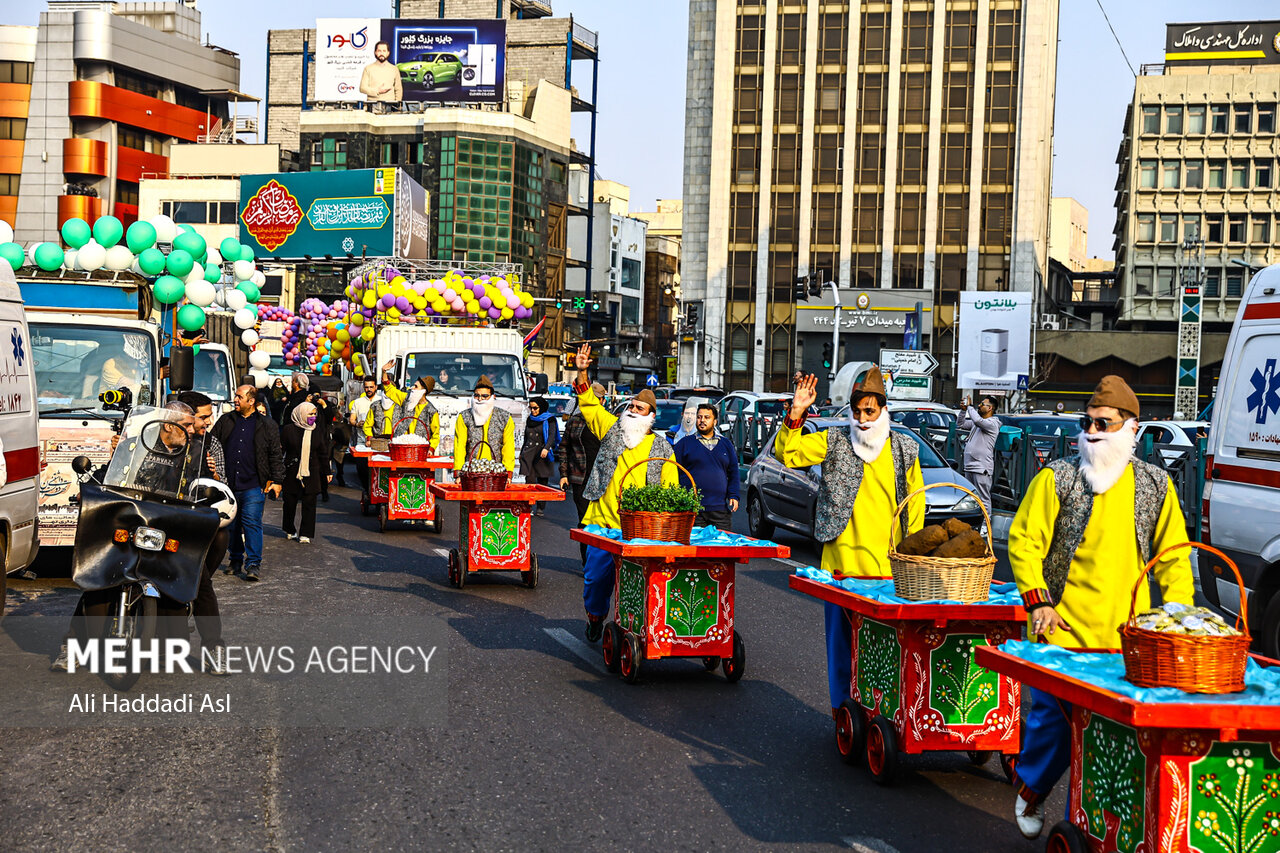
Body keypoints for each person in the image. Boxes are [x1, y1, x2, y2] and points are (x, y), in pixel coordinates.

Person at [1008, 375, 1194, 840]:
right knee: (1051, 724)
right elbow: (1024, 542)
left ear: (1133, 428)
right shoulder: (1058, 477)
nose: (1092, 431)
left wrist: (1180, 621)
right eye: (1088, 422)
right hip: (1061, 634)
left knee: (1115, 741)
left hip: (1124, 644)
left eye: (1104, 423)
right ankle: (1030, 788)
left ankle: (1102, 827)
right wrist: (1038, 603)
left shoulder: (1155, 484)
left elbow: (1172, 558)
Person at [776, 368, 925, 720]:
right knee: (842, 646)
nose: (862, 419)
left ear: (883, 411)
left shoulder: (905, 448)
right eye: (857, 412)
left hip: (888, 571)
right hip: (841, 566)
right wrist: (797, 413)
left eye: (869, 412)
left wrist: (912, 554)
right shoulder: (835, 440)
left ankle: (883, 711)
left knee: (886, 648)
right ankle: (844, 713)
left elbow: (915, 504)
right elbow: (790, 454)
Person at [571, 344, 677, 642]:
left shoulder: (662, 448)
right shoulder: (612, 429)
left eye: (639, 408)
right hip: (604, 525)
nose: (632, 410)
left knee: (637, 585)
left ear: (650, 416)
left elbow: (670, 489)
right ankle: (594, 616)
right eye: (631, 406)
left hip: (640, 531)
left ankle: (637, 630)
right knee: (595, 579)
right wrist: (582, 371)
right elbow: (590, 404)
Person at [177, 390, 231, 676]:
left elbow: (222, 486)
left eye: (209, 417)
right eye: (202, 418)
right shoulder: (151, 438)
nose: (207, 423)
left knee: (202, 581)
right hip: (155, 519)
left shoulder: (211, 444)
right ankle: (73, 643)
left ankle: (214, 649)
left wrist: (214, 475)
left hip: (191, 522)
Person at [211, 385, 284, 582]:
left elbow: (275, 454)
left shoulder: (267, 425)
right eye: (235, 396)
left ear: (251, 401)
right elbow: (211, 445)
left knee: (251, 523)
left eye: (239, 397)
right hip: (229, 485)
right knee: (232, 526)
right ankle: (235, 561)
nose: (235, 399)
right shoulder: (226, 421)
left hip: (253, 484)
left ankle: (253, 564)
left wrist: (277, 480)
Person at [557, 384, 604, 562]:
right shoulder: (575, 420)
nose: (592, 402)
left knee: (604, 524)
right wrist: (563, 474)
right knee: (585, 523)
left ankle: (603, 562)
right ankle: (587, 563)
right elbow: (564, 448)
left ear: (602, 400)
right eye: (589, 398)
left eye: (596, 398)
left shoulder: (609, 422)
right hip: (580, 479)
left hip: (604, 481)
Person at [674, 403, 739, 530]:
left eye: (706, 417)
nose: (702, 420)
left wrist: (734, 495)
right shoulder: (685, 444)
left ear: (715, 421)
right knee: (694, 548)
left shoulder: (726, 444)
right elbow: (674, 471)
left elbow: (734, 472)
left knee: (722, 546)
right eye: (699, 417)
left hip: (719, 509)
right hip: (693, 509)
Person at [280, 401, 331, 544]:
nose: (313, 417)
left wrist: (327, 471)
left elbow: (323, 453)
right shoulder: (288, 430)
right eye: (310, 414)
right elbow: (281, 450)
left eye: (315, 414)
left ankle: (305, 533)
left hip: (311, 472)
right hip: (292, 472)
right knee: (289, 503)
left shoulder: (317, 430)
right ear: (301, 414)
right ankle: (289, 529)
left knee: (310, 503)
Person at [453, 375, 515, 472]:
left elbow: (508, 447)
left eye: (485, 396)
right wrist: (458, 471)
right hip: (471, 471)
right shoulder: (464, 416)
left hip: (496, 471)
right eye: (477, 395)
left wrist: (508, 472)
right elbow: (459, 446)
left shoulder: (504, 417)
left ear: (493, 397)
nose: (480, 399)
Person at [960, 394, 1001, 522]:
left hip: (981, 467)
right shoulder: (978, 423)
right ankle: (973, 524)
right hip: (970, 465)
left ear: (990, 409)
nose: (979, 405)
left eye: (982, 404)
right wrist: (963, 410)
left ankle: (985, 525)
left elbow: (978, 421)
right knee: (971, 498)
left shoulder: (992, 423)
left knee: (983, 498)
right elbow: (961, 423)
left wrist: (969, 407)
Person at [380, 362, 441, 446]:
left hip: (419, 450)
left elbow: (436, 435)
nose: (412, 388)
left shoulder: (431, 411)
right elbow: (390, 390)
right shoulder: (406, 398)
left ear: (423, 392)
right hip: (400, 446)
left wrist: (431, 449)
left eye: (416, 386)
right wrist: (384, 372)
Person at [520, 396, 560, 516]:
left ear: (541, 407)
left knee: (542, 482)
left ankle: (540, 508)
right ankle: (529, 506)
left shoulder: (549, 419)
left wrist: (546, 448)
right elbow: (526, 437)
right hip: (529, 452)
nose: (533, 411)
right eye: (531, 408)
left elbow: (552, 435)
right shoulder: (530, 419)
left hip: (542, 453)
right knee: (529, 481)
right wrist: (522, 452)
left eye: (535, 408)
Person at [359, 40, 402, 107]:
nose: (381, 53)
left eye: (384, 51)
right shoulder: (368, 68)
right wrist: (377, 91)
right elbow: (362, 88)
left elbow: (398, 89)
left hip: (390, 106)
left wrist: (397, 105)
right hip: (372, 106)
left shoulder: (394, 69)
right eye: (379, 51)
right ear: (375, 52)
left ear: (388, 53)